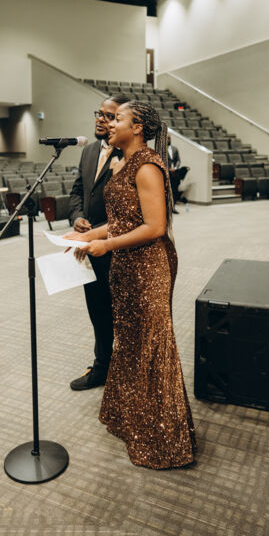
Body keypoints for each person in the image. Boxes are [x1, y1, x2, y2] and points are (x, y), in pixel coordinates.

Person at [66, 101, 197, 469]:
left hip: (149, 268)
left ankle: (163, 441)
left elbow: (155, 227)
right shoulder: (124, 162)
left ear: (137, 127)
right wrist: (88, 235)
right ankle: (134, 421)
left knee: (151, 346)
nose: (109, 123)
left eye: (118, 118)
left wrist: (106, 245)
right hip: (126, 266)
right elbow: (124, 220)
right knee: (130, 342)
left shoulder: (148, 166)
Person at [68, 94, 130, 391]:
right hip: (91, 248)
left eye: (109, 116)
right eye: (99, 113)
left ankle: (128, 371)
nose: (101, 120)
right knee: (98, 311)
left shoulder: (129, 153)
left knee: (125, 315)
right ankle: (102, 366)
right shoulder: (89, 151)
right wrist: (78, 217)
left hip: (119, 247)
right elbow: (78, 191)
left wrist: (98, 236)